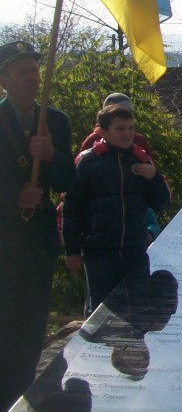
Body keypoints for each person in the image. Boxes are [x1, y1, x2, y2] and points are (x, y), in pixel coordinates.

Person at [0, 39, 75, 409]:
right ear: (4, 81)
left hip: (37, 244)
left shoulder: (55, 121)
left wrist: (51, 155)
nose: (31, 77)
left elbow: (68, 180)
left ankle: (20, 397)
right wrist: (14, 196)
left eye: (34, 69)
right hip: (3, 240)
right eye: (21, 72)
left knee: (31, 328)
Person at [62, 104, 171, 314]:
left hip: (134, 250)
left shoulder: (141, 159)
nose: (127, 133)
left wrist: (154, 178)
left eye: (130, 128)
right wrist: (72, 250)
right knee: (102, 311)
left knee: (138, 310)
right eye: (120, 128)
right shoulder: (88, 161)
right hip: (100, 251)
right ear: (103, 132)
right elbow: (72, 208)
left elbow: (162, 204)